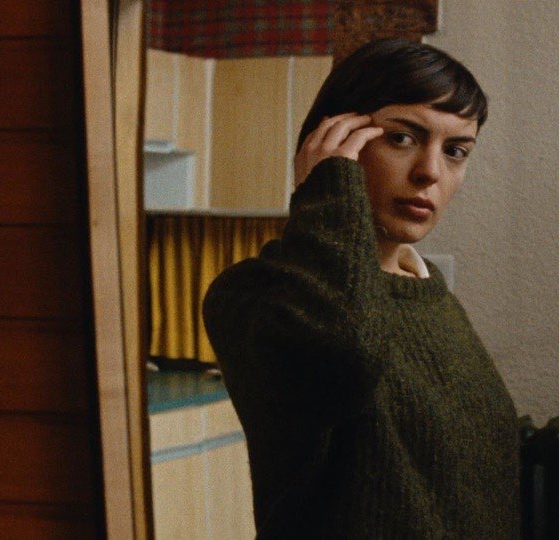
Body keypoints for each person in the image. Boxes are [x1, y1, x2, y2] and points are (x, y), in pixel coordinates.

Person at [203, 38, 519, 538]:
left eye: (455, 151)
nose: (430, 172)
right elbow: (344, 355)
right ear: (332, 139)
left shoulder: (432, 296)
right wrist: (329, 189)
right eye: (402, 138)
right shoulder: (253, 295)